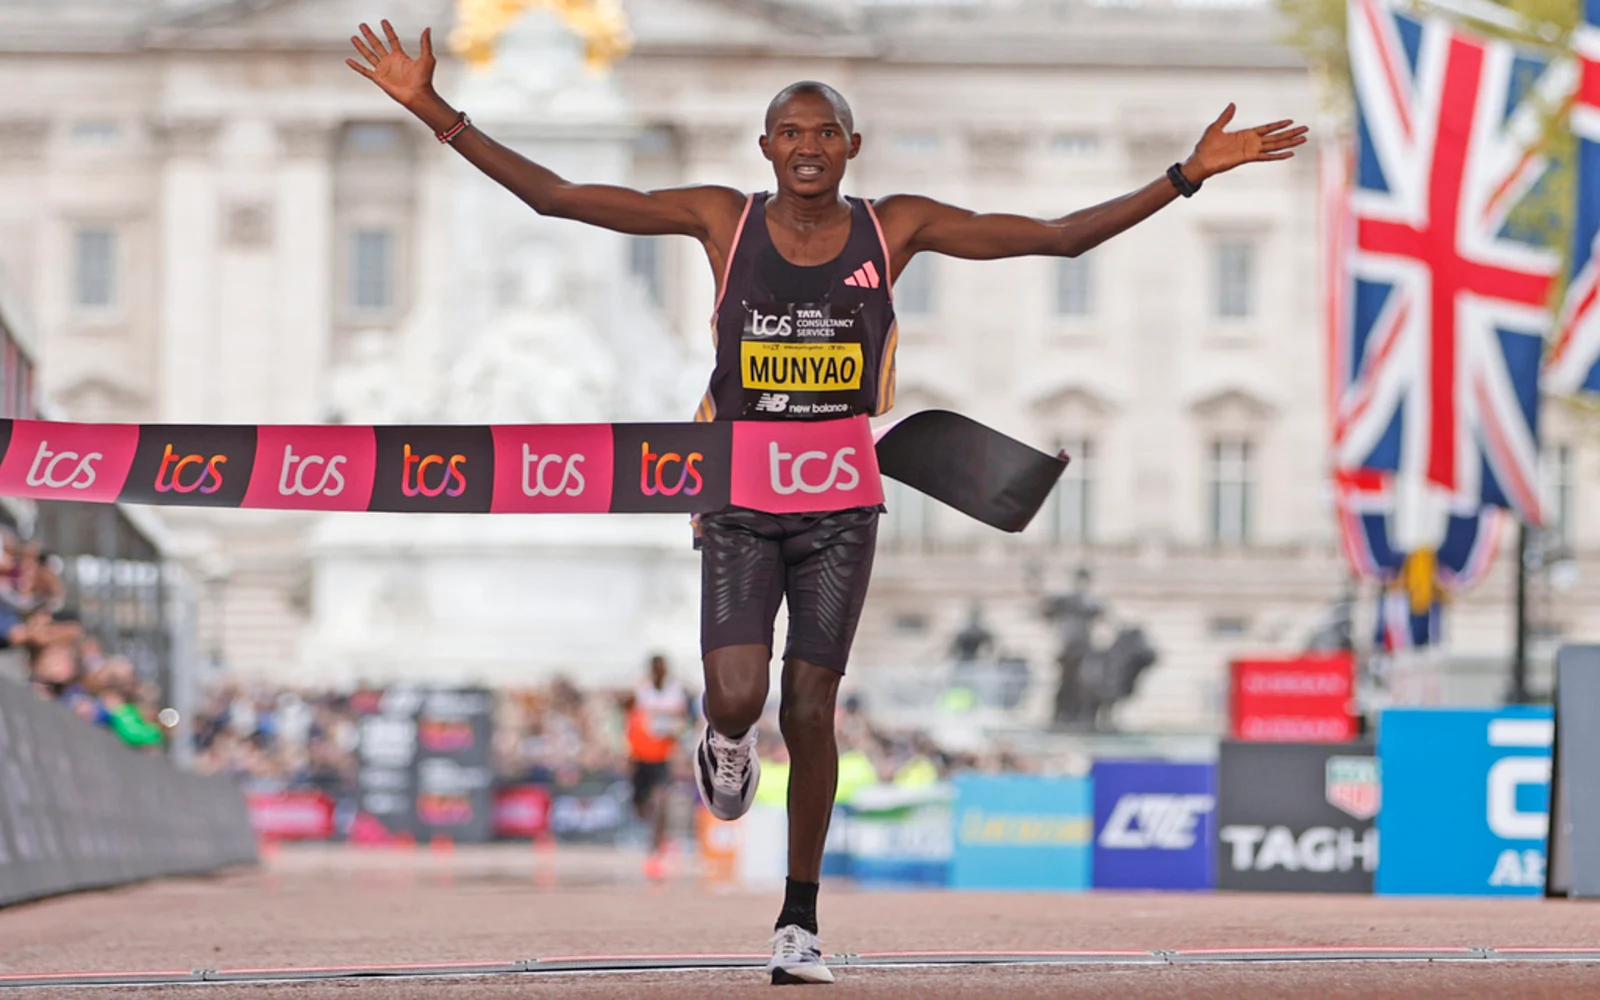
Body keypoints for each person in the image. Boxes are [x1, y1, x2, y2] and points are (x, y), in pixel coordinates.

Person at [346, 19, 1306, 984]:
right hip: (735, 490)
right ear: (767, 148)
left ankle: (797, 920)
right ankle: (722, 743)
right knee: (737, 693)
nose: (808, 147)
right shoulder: (724, 219)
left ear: (853, 145)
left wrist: (1186, 175)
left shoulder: (899, 227)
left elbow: (1055, 241)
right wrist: (432, 107)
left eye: (826, 131)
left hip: (841, 500)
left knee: (812, 710)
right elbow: (560, 200)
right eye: (790, 133)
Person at [624, 654, 690, 876]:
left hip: (662, 756)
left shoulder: (674, 691)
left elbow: (680, 721)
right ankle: (650, 831)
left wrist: (676, 746)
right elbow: (630, 719)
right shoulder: (641, 690)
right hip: (640, 754)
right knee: (640, 804)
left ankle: (656, 844)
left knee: (661, 799)